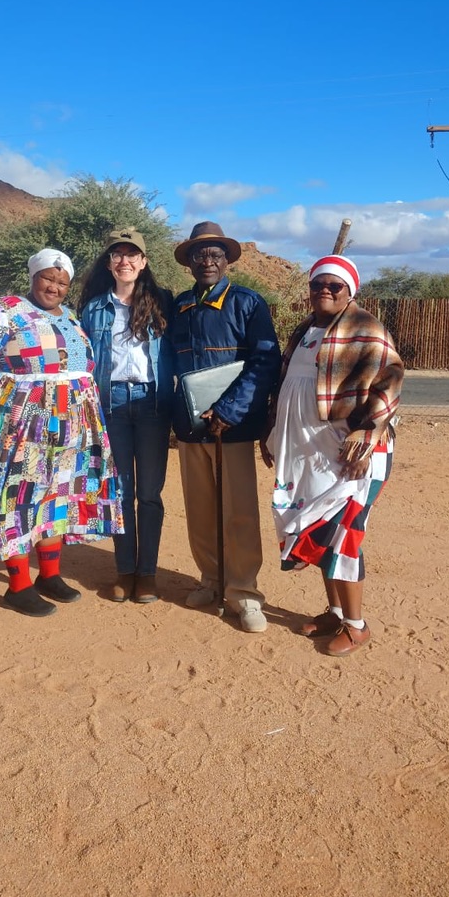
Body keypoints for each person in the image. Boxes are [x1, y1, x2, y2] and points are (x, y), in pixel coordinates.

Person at [0, 248, 123, 617]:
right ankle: (17, 585)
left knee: (57, 495)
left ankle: (48, 575)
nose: (54, 287)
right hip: (23, 418)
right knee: (20, 495)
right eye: (48, 278)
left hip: (73, 423)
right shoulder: (3, 310)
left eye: (62, 282)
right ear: (32, 276)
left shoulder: (70, 316)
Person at [262, 255, 404, 656]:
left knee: (344, 536)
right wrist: (274, 432)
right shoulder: (306, 330)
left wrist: (366, 434)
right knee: (320, 533)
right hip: (307, 455)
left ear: (349, 292)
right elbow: (288, 386)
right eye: (317, 284)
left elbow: (390, 382)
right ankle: (336, 611)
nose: (324, 290)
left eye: (334, 286)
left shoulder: (366, 329)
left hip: (351, 454)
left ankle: (357, 627)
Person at [170, 221, 280, 633]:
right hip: (191, 427)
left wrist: (229, 410)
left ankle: (244, 592)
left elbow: (265, 361)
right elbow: (170, 367)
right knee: (200, 509)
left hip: (230, 428)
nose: (208, 261)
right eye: (200, 255)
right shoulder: (179, 306)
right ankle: (210, 580)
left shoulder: (249, 304)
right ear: (190, 263)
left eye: (215, 254)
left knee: (239, 513)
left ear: (227, 259)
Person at [79, 227, 174, 604]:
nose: (125, 261)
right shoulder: (93, 308)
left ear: (144, 261)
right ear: (109, 263)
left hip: (152, 403)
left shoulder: (163, 302)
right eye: (118, 254)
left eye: (132, 254)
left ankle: (146, 573)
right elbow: (85, 361)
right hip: (112, 404)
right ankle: (125, 570)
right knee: (120, 492)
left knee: (149, 494)